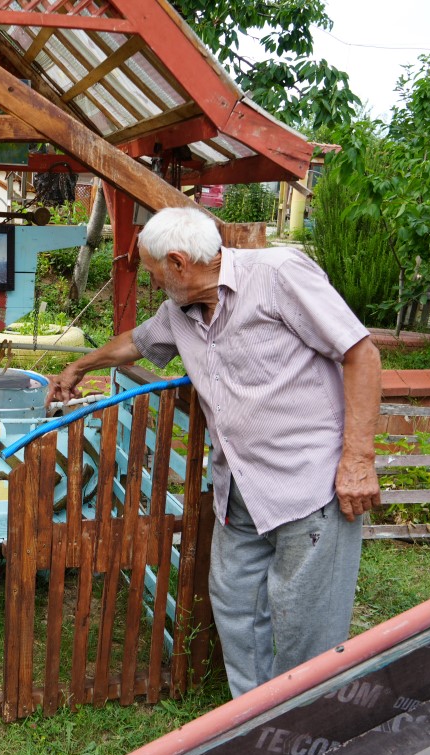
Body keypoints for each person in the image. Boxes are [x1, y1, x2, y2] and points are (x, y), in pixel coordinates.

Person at [47, 206, 382, 698]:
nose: (151, 278)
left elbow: (360, 352)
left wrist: (358, 459)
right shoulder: (179, 312)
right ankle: (253, 718)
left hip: (311, 485)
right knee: (236, 607)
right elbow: (134, 344)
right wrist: (79, 367)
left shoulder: (278, 276)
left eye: (153, 268)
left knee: (303, 624)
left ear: (179, 263)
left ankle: (306, 726)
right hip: (240, 489)